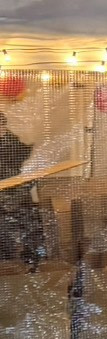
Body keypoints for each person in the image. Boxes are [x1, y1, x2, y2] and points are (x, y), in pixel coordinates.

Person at [0, 111, 44, 268]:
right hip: (5, 196)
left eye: (2, 124)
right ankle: (7, 263)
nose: (1, 129)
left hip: (17, 190)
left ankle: (32, 261)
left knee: (29, 223)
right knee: (5, 230)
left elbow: (22, 160)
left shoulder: (12, 141)